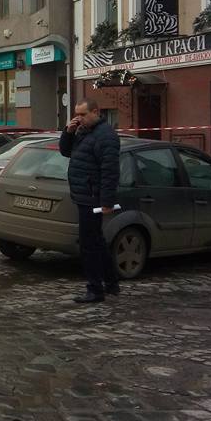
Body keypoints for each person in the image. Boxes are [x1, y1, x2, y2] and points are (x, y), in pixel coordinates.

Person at [59, 98, 121, 304]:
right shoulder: (83, 132)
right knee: (97, 241)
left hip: (93, 196)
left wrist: (107, 201)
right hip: (83, 194)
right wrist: (67, 132)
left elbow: (110, 171)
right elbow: (66, 152)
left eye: (83, 114)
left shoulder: (106, 136)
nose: (79, 118)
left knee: (89, 244)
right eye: (77, 114)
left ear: (96, 112)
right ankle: (112, 283)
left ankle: (95, 289)